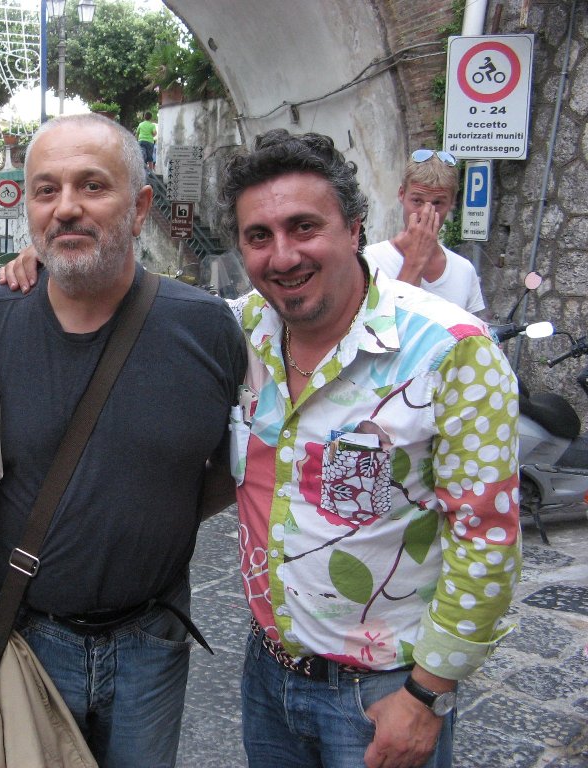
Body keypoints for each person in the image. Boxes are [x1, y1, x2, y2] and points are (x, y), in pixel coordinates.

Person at [0, 113, 246, 768]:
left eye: (92, 186)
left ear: (139, 207)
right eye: (46, 190)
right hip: (16, 632)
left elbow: (240, 461)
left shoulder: (206, 329)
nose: (66, 207)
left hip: (152, 641)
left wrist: (149, 511)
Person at [217, 129, 520, 768]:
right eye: (259, 236)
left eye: (304, 227)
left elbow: (486, 537)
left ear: (354, 228)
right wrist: (39, 262)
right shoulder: (239, 330)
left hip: (385, 692)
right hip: (267, 674)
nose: (283, 255)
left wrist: (428, 694)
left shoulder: (451, 350)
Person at [364, 149, 485, 315]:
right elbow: (380, 326)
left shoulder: (464, 270)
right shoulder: (370, 260)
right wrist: (414, 261)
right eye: (417, 201)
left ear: (452, 202)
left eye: (437, 203)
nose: (425, 213)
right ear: (401, 194)